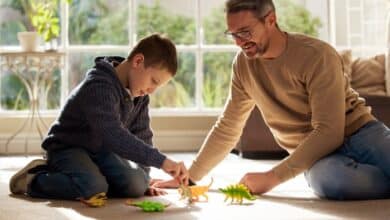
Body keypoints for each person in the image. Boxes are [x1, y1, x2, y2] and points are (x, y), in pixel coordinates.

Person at [155, 0, 390, 200]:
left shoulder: (316, 55)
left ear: (270, 20)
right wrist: (191, 177)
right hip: (315, 155)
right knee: (332, 182)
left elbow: (330, 131)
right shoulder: (243, 66)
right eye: (233, 34)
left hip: (361, 133)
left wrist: (271, 178)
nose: (238, 41)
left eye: (245, 32)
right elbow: (228, 126)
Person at [9, 33, 189, 206]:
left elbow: (142, 135)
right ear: (138, 61)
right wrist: (162, 161)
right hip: (68, 147)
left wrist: (144, 178)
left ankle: (94, 176)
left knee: (137, 184)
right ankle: (34, 179)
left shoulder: (140, 95)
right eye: (154, 81)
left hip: (103, 151)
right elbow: (113, 135)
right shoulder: (99, 86)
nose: (152, 90)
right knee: (93, 187)